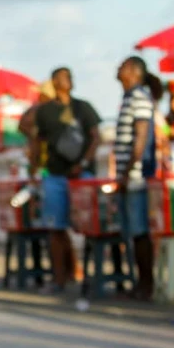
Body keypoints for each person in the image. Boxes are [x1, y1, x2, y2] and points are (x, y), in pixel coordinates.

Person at [32, 67, 100, 292]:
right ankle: (60, 278)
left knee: (92, 227)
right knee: (56, 229)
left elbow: (96, 137)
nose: (69, 80)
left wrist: (82, 163)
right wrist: (34, 169)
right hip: (55, 175)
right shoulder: (44, 111)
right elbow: (36, 140)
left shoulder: (83, 107)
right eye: (63, 77)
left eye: (70, 76)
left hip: (82, 176)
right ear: (54, 82)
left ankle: (88, 278)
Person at [114, 56, 158, 301]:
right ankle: (141, 284)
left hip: (136, 176)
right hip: (130, 174)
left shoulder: (138, 97)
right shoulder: (130, 97)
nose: (118, 70)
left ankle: (146, 285)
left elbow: (140, 139)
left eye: (122, 67)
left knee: (140, 232)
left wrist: (126, 172)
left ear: (133, 71)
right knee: (134, 231)